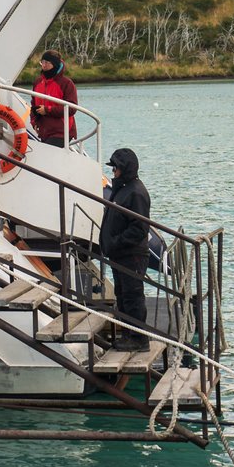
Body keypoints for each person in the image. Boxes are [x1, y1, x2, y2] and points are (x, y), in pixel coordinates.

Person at [98, 147, 153, 348]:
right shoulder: (122, 189)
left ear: (125, 169)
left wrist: (115, 241)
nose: (113, 172)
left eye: (116, 168)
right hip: (120, 254)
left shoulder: (136, 193)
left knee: (132, 296)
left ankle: (139, 338)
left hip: (132, 255)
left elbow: (139, 228)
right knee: (122, 294)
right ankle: (129, 334)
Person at [29, 50, 79, 148]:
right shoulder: (37, 82)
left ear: (54, 64)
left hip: (62, 131)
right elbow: (33, 106)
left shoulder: (66, 83)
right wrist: (34, 122)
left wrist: (47, 110)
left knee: (46, 157)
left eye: (47, 62)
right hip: (44, 131)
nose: (44, 65)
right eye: (42, 62)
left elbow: (72, 108)